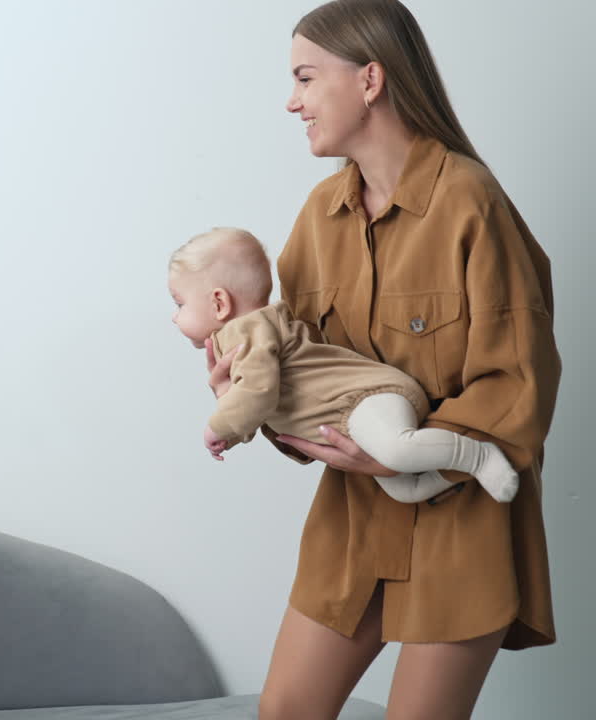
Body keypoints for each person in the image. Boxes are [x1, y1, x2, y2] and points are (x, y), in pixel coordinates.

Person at [203, 2, 563, 718]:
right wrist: (249, 387)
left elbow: (519, 381)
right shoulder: (319, 216)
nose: (291, 100)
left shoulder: (470, 202)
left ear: (370, 79)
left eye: (306, 77)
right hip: (351, 524)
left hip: (461, 523)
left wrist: (399, 456)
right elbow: (301, 369)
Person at [168, 227, 518, 503]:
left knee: (396, 450)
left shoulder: (247, 331)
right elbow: (256, 398)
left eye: (179, 303)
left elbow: (259, 391)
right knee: (404, 490)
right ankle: (456, 475)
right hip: (350, 418)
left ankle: (477, 456)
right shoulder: (256, 332)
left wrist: (219, 426)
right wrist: (233, 420)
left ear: (219, 303)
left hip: (364, 400)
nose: (174, 317)